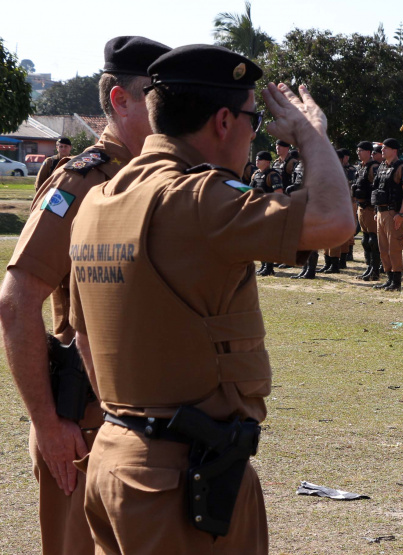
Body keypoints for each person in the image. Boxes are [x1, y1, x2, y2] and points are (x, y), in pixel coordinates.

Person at [67, 45, 353, 554]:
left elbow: (85, 336)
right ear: (224, 120)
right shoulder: (197, 196)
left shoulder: (100, 199)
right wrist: (310, 136)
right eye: (253, 118)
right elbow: (334, 221)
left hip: (114, 454)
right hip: (182, 476)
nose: (254, 131)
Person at [0, 36, 171, 555]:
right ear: (121, 100)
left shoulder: (170, 183)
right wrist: (48, 425)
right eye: (157, 94)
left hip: (156, 426)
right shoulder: (82, 181)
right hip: (85, 425)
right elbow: (17, 301)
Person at [372, 138, 403, 291]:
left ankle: (396, 281)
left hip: (393, 212)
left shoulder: (402, 168)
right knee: (383, 248)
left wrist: (401, 214)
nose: (382, 151)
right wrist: (376, 210)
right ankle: (389, 278)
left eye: (385, 148)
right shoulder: (382, 166)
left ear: (394, 151)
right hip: (381, 212)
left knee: (394, 247)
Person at [250, 150, 285, 277]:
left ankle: (269, 267)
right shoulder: (255, 174)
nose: (257, 161)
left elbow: (279, 193)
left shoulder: (273, 175)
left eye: (260, 159)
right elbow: (250, 190)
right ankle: (264, 265)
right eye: (257, 159)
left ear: (267, 162)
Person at [352, 140, 381, 281]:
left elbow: (376, 188)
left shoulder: (373, 167)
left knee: (373, 240)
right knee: (365, 239)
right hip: (361, 207)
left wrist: (375, 208)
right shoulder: (360, 167)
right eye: (357, 150)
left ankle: (375, 270)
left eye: (361, 150)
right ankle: (369, 267)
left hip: (370, 207)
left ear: (369, 152)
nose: (358, 153)